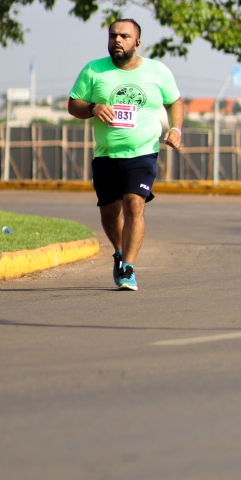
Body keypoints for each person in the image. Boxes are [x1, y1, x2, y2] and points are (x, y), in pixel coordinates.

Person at [68, 19, 183, 290]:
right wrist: (93, 108)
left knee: (134, 204)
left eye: (124, 36)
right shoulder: (94, 70)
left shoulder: (157, 71)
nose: (117, 40)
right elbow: (73, 105)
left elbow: (175, 101)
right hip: (106, 154)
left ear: (137, 42)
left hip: (143, 152)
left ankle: (128, 268)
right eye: (113, 35)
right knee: (109, 213)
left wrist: (176, 129)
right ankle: (120, 253)